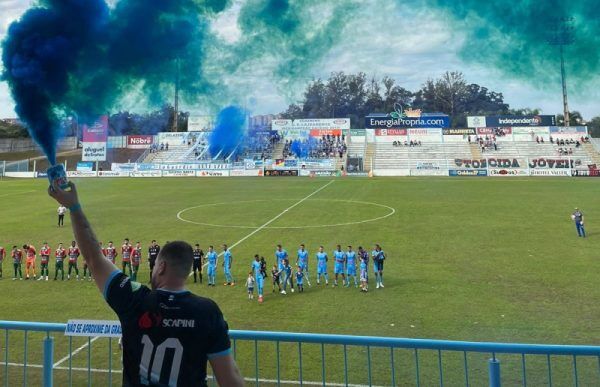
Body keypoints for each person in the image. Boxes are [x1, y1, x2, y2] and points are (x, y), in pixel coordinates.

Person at [48, 180, 244, 387]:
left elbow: (93, 257)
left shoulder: (135, 299)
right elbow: (229, 378)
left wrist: (74, 207)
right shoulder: (208, 311)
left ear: (161, 267)